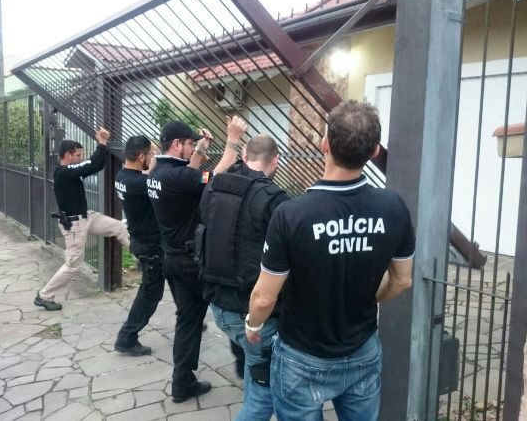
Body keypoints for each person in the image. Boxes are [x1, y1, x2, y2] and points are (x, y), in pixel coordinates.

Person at [246, 101, 415, 421]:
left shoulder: (291, 215)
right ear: (374, 151)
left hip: (302, 357)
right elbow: (402, 279)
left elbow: (264, 297)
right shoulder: (393, 207)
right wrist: (367, 297)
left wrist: (253, 324)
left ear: (325, 144)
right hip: (362, 349)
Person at [148, 117, 247, 403]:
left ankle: (182, 383)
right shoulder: (178, 178)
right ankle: (247, 367)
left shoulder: (157, 172)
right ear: (176, 144)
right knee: (231, 306)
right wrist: (232, 139)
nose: (193, 149)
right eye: (190, 144)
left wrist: (202, 147)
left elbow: (189, 174)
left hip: (172, 258)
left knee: (188, 321)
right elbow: (216, 175)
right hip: (193, 262)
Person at [198, 135, 290, 420]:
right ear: (276, 160)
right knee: (263, 401)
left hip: (218, 304)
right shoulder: (274, 199)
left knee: (254, 368)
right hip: (254, 315)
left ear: (245, 156)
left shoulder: (214, 186)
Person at [34, 128, 130, 310]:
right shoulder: (63, 172)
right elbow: (93, 164)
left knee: (119, 227)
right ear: (67, 155)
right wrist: (102, 143)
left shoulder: (71, 171)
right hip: (74, 226)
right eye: (78, 155)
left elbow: (95, 164)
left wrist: (102, 145)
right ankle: (44, 296)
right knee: (72, 266)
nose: (80, 158)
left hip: (86, 218)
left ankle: (141, 257)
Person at [113, 135, 169, 356]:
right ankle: (126, 338)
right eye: (151, 154)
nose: (154, 157)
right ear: (141, 156)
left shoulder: (123, 176)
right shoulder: (138, 183)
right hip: (149, 246)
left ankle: (190, 317)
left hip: (143, 241)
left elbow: (146, 176)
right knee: (150, 292)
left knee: (173, 277)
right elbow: (154, 180)